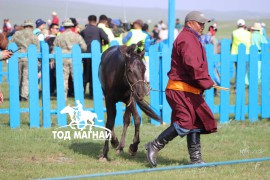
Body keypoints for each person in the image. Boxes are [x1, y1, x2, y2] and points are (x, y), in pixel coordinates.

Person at [145, 11, 217, 167]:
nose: (203, 26)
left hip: (190, 90)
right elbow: (192, 65)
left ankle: (196, 159)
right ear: (190, 23)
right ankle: (154, 145)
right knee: (185, 122)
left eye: (204, 23)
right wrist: (206, 82)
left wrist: (204, 83)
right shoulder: (186, 39)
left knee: (196, 122)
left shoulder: (192, 37)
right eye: (200, 23)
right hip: (180, 90)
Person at [53, 19, 87, 99]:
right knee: (77, 78)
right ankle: (79, 96)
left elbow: (54, 49)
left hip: (63, 58)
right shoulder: (77, 36)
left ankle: (63, 96)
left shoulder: (59, 37)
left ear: (64, 27)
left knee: (63, 78)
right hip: (75, 59)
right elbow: (84, 48)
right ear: (72, 26)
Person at [9, 20, 40, 101]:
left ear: (24, 26)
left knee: (18, 76)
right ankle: (23, 96)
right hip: (29, 59)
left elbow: (10, 44)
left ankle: (17, 94)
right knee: (26, 78)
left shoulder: (17, 34)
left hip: (18, 58)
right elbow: (37, 50)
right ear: (31, 26)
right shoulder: (34, 36)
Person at [80, 15, 109, 99]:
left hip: (86, 55)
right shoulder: (99, 30)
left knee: (85, 74)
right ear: (96, 21)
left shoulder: (83, 31)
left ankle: (82, 93)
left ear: (88, 20)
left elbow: (79, 41)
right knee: (95, 74)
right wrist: (103, 43)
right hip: (96, 55)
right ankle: (92, 94)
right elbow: (106, 39)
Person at [231, 19, 251, 86]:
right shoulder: (248, 33)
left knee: (238, 70)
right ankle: (241, 84)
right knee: (244, 71)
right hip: (246, 53)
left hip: (235, 53)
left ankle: (237, 85)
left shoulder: (234, 32)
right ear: (244, 25)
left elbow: (232, 41)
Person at [45, 23, 59, 96]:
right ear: (51, 29)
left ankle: (52, 90)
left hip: (53, 59)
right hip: (51, 60)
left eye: (58, 28)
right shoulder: (50, 38)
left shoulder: (46, 38)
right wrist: (52, 60)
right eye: (56, 28)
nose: (57, 30)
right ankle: (51, 91)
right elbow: (51, 49)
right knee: (52, 76)